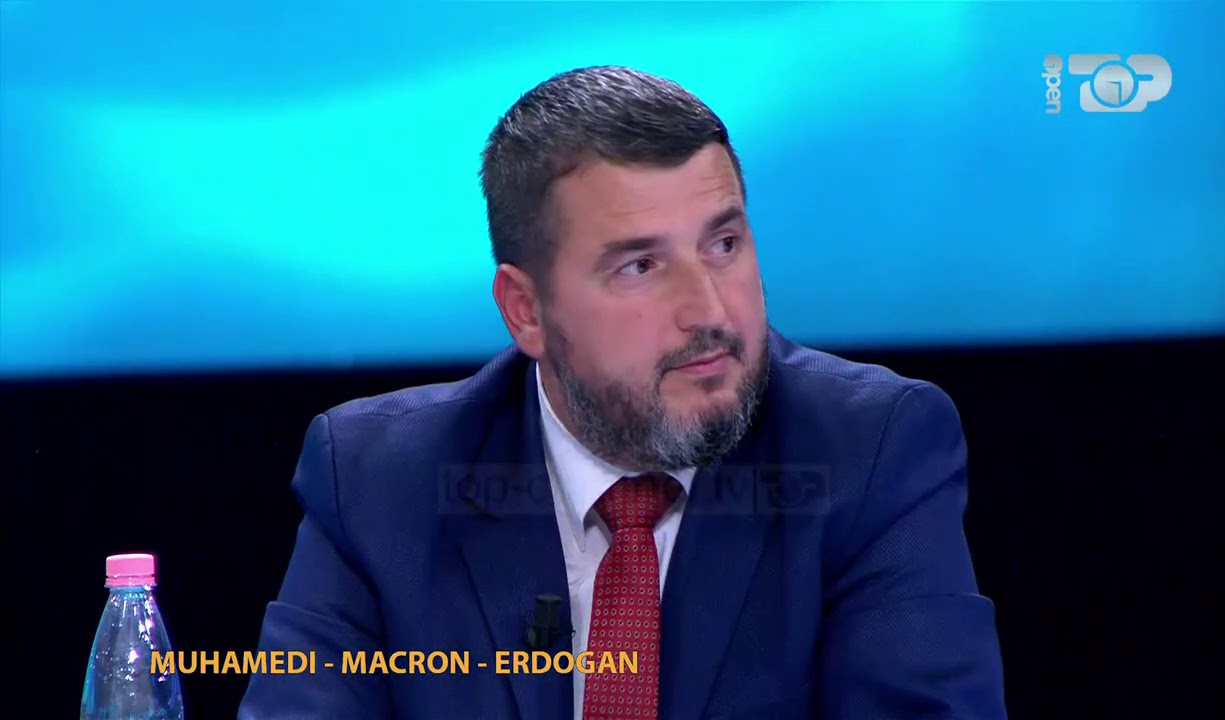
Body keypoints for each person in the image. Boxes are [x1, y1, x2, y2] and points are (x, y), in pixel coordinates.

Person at [239, 65, 1006, 719]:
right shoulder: (379, 481)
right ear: (526, 311)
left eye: (724, 244)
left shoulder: (868, 451)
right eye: (640, 266)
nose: (709, 310)